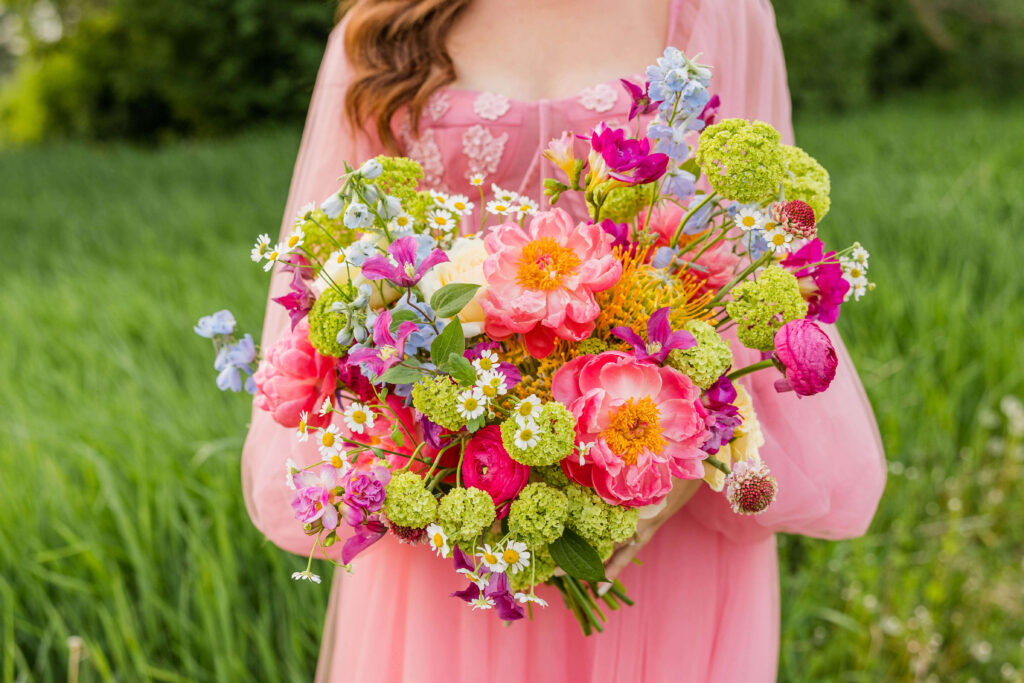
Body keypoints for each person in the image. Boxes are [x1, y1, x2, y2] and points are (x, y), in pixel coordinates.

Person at [242, 0, 887, 680]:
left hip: (662, 496)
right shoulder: (381, 24)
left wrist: (663, 471)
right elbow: (339, 273)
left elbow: (754, 250)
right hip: (451, 511)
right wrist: (435, 459)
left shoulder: (719, 11)